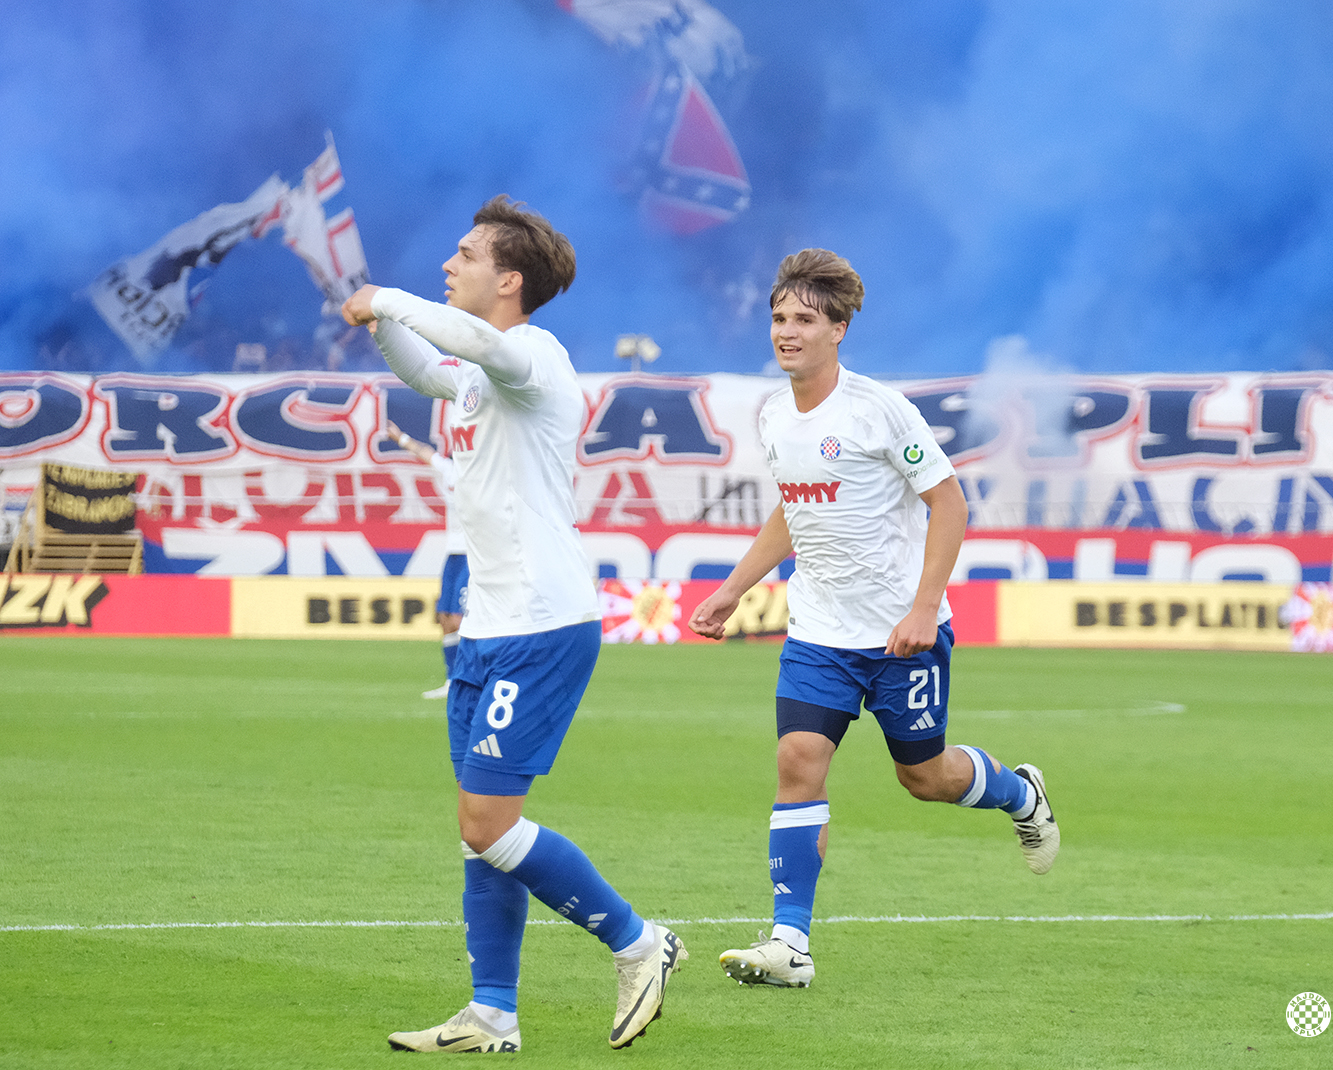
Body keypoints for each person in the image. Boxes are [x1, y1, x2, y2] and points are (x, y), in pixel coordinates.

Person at [341, 196, 685, 1053]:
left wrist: (383, 297)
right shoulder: (477, 373)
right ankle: (492, 1011)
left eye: (464, 255)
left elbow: (476, 346)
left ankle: (640, 944)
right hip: (491, 627)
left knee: (489, 823)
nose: (448, 265)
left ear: (509, 279)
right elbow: (429, 372)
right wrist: (381, 326)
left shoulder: (532, 354)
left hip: (543, 621)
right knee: (477, 831)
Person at [687, 249, 1059, 990]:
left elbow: (948, 503)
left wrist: (924, 608)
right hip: (819, 631)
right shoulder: (772, 414)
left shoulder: (878, 410)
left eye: (804, 320)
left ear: (839, 329)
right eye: (778, 319)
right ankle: (790, 942)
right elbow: (794, 512)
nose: (786, 333)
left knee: (923, 777)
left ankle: (1021, 794)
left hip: (900, 635)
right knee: (798, 761)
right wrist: (733, 588)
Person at [382, 419, 468, 698]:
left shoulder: (486, 473)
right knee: (444, 617)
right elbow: (425, 452)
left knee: (459, 618)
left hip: (474, 553)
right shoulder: (451, 470)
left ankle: (470, 678)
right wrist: (400, 438)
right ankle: (452, 680)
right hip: (453, 553)